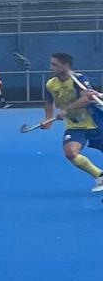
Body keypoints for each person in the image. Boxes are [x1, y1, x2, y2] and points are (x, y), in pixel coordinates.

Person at [40, 52, 103, 193]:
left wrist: (66, 110)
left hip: (95, 123)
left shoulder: (78, 79)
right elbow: (49, 103)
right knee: (70, 153)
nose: (51, 68)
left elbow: (87, 99)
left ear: (65, 65)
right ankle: (100, 176)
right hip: (74, 126)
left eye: (54, 65)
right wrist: (48, 119)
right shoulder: (51, 84)